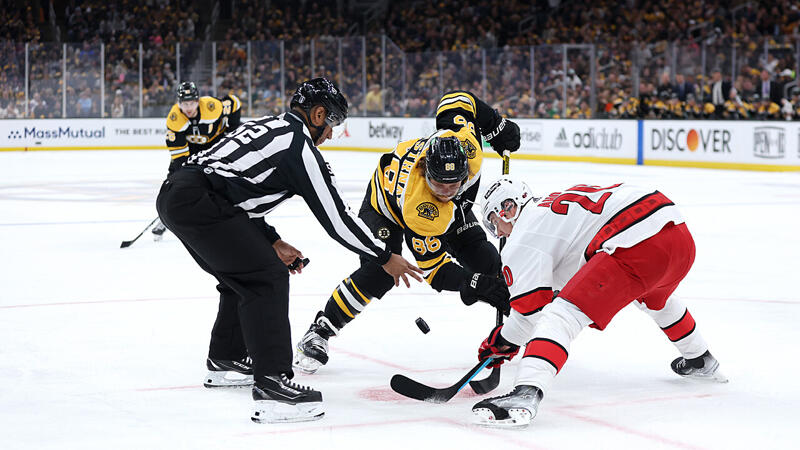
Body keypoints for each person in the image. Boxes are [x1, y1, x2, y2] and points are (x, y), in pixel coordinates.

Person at [154, 77, 423, 423]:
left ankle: (226, 358)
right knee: (267, 277)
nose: (329, 135)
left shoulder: (271, 124)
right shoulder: (299, 147)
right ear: (318, 113)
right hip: (198, 200)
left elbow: (232, 190)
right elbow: (337, 219)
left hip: (181, 194)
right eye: (331, 126)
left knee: (242, 273)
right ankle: (273, 387)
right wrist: (384, 256)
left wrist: (270, 240)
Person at [293, 90, 521, 375]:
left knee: (488, 262)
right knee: (382, 272)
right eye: (439, 185)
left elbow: (457, 100)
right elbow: (435, 272)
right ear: (426, 174)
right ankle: (320, 330)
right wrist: (472, 283)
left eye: (454, 184)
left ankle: (519, 326)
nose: (446, 192)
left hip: (447, 210)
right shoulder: (421, 207)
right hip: (384, 208)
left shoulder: (468, 145)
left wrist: (497, 126)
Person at [471, 177, 727, 428]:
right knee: (655, 299)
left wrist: (502, 341)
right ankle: (699, 358)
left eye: (494, 224)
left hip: (635, 243)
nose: (498, 234)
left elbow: (532, 314)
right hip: (677, 232)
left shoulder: (524, 236)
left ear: (507, 209)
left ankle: (525, 394)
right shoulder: (552, 207)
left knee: (560, 315)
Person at [152, 81, 242, 241]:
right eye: (184, 103)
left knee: (222, 180)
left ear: (198, 100)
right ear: (178, 103)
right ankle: (166, 216)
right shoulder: (175, 119)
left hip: (217, 144)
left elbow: (234, 102)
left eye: (191, 103)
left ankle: (229, 214)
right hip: (193, 148)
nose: (188, 108)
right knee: (174, 180)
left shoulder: (212, 106)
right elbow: (180, 158)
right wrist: (183, 177)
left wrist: (232, 130)